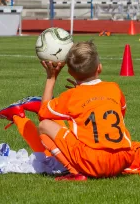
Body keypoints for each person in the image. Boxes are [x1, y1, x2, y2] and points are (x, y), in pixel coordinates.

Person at [35, 41, 133, 181]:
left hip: (93, 161)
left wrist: (51, 78)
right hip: (124, 158)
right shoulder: (114, 88)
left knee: (44, 125)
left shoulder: (72, 96)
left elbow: (43, 113)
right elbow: (121, 113)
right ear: (99, 67)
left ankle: (74, 172)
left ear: (70, 72)